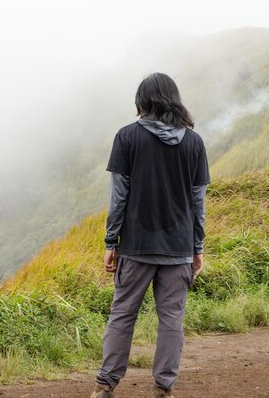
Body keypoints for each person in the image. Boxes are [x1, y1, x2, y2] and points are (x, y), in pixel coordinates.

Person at [91, 72, 210, 398]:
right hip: (179, 247)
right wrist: (197, 246)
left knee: (123, 314)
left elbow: (119, 197)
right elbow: (198, 202)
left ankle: (105, 385)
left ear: (142, 101)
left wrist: (110, 242)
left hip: (136, 246)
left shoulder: (127, 137)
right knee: (172, 319)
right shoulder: (194, 142)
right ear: (175, 100)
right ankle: (163, 388)